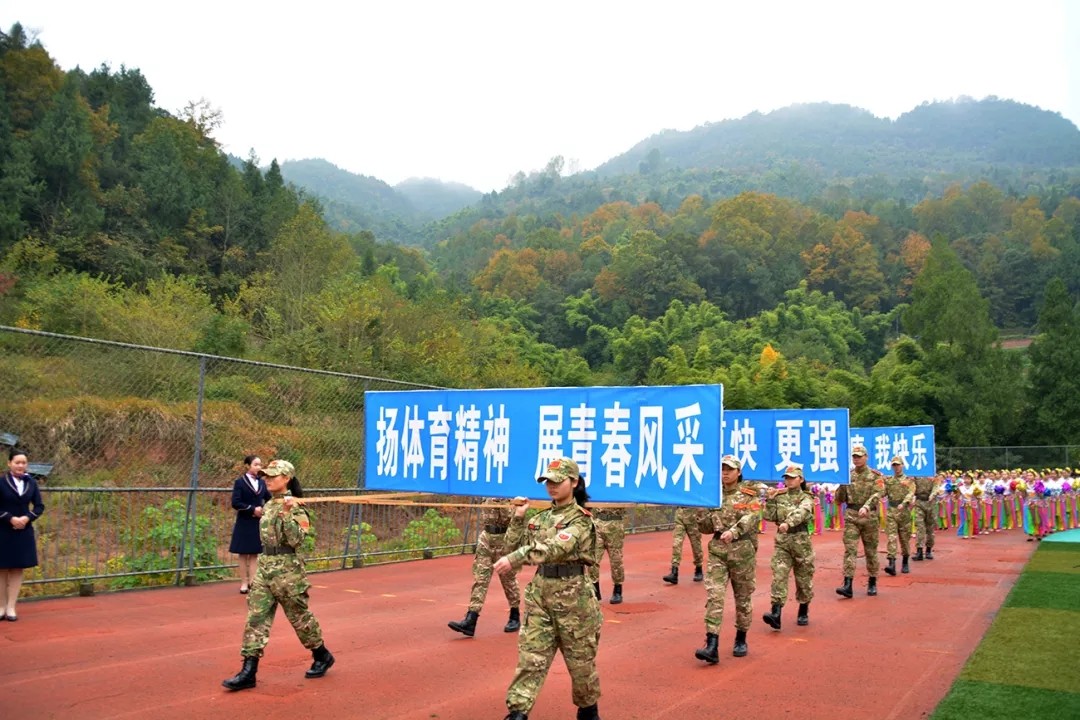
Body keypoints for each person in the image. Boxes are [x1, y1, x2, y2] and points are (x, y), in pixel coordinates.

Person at [494, 458, 603, 720]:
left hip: (574, 600)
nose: (551, 487)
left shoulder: (581, 520)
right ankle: (518, 712)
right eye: (547, 482)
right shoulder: (540, 519)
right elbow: (510, 548)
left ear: (574, 482)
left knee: (581, 666)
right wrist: (519, 518)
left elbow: (554, 548)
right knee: (531, 657)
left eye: (557, 481)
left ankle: (588, 711)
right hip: (540, 595)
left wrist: (516, 557)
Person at [222, 459, 334, 691]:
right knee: (256, 617)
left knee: (299, 618)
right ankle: (249, 670)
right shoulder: (270, 504)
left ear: (287, 479)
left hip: (287, 570)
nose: (268, 479)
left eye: (273, 475)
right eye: (266, 475)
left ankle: (321, 654)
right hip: (265, 566)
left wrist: (286, 513)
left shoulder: (297, 506)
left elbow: (296, 540)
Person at [694, 455, 760, 663]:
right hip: (717, 551)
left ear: (738, 472)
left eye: (729, 469)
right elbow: (705, 528)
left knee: (743, 598)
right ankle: (712, 643)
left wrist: (735, 531)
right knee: (715, 595)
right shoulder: (713, 495)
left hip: (742, 552)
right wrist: (700, 510)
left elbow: (752, 517)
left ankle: (741, 638)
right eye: (722, 468)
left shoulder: (749, 495)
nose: (725, 472)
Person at [447, 497, 522, 636]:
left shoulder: (511, 494)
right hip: (486, 538)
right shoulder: (485, 491)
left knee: (508, 580)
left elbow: (516, 518)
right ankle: (471, 619)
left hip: (505, 539)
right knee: (480, 579)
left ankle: (514, 615)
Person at [761, 465, 815, 630]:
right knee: (779, 575)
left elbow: (803, 512)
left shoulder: (807, 498)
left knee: (803, 578)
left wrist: (788, 523)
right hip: (783, 542)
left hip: (801, 541)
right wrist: (769, 501)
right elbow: (769, 516)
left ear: (801, 479)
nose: (789, 480)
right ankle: (776, 613)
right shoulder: (779, 496)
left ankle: (803, 609)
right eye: (786, 477)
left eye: (792, 477)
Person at [0, 449, 44, 621]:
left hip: (23, 531)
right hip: (3, 529)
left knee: (17, 568)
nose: (20, 465)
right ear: (9, 463)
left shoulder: (31, 483)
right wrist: (10, 518)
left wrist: (27, 518)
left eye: (24, 462)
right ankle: (1, 606)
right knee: (2, 568)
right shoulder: (1, 482)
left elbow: (39, 506)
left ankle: (11, 607)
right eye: (17, 462)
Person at [835, 445, 884, 598]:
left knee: (870, 551)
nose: (856, 459)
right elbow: (839, 499)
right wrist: (842, 483)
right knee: (850, 550)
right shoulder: (848, 476)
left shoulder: (875, 476)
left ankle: (872, 580)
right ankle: (847, 584)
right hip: (851, 516)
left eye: (859, 456)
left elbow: (879, 493)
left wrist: (867, 506)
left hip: (869, 517)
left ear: (866, 457)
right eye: (854, 456)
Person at [229, 455, 271, 594]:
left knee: (254, 553)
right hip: (244, 520)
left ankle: (253, 581)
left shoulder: (262, 483)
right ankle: (244, 582)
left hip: (257, 522)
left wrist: (265, 509)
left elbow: (269, 499)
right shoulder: (240, 482)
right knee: (243, 553)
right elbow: (236, 502)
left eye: (260, 464)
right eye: (255, 464)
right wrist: (252, 509)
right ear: (248, 466)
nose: (259, 467)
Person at [882, 456, 915, 576]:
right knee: (891, 537)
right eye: (894, 465)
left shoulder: (908, 480)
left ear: (902, 465)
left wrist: (904, 503)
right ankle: (891, 563)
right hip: (891, 510)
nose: (896, 467)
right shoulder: (889, 480)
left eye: (898, 465)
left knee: (904, 540)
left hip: (904, 512)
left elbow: (911, 493)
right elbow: (882, 493)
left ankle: (905, 561)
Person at [589, 505, 626, 604]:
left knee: (616, 560)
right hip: (598, 523)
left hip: (615, 525)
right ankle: (595, 591)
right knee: (592, 559)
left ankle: (618, 591)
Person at [662, 506, 704, 584]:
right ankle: (674, 572)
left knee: (696, 545)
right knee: (676, 543)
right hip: (680, 514)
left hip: (693, 515)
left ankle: (699, 568)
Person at [912, 472, 941, 560]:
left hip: (930, 503)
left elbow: (936, 486)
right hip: (919, 502)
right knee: (920, 527)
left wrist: (933, 494)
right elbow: (912, 487)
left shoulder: (933, 475)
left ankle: (928, 550)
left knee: (930, 529)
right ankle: (919, 551)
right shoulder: (915, 475)